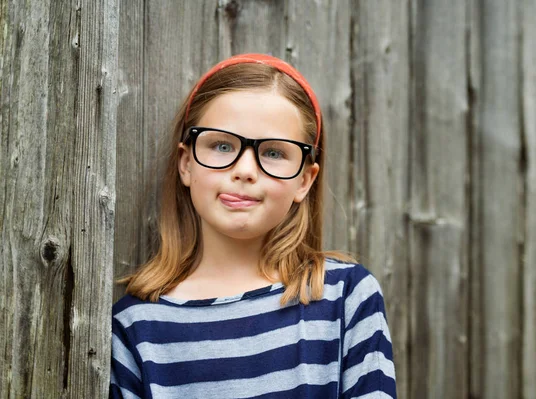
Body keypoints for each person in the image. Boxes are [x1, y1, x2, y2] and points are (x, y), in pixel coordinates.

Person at [110, 53, 397, 398]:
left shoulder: (345, 297)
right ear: (186, 163)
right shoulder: (135, 325)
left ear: (305, 180)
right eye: (221, 145)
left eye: (274, 153)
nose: (245, 170)